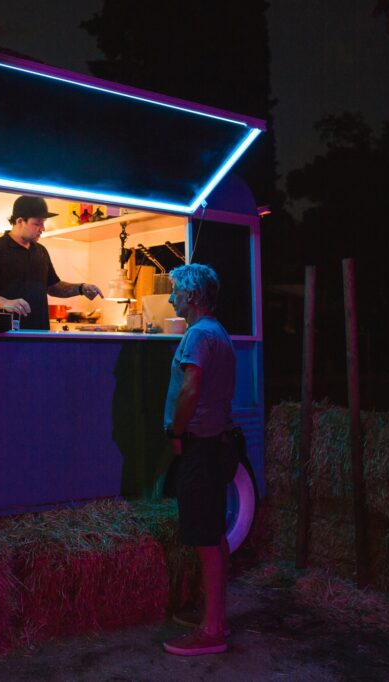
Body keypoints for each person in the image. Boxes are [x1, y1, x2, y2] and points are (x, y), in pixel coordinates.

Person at [160, 263, 238, 656]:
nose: (172, 298)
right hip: (217, 442)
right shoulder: (217, 332)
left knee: (205, 540)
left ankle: (212, 631)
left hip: (201, 447)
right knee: (214, 535)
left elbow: (191, 388)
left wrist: (176, 431)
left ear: (192, 296)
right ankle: (215, 616)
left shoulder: (198, 336)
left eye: (175, 292)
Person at [0, 195, 102, 330]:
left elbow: (53, 286)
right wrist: (6, 303)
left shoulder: (41, 251)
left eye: (43, 223)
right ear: (20, 221)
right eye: (37, 223)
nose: (42, 228)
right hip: (6, 334)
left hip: (40, 332)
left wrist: (81, 288)